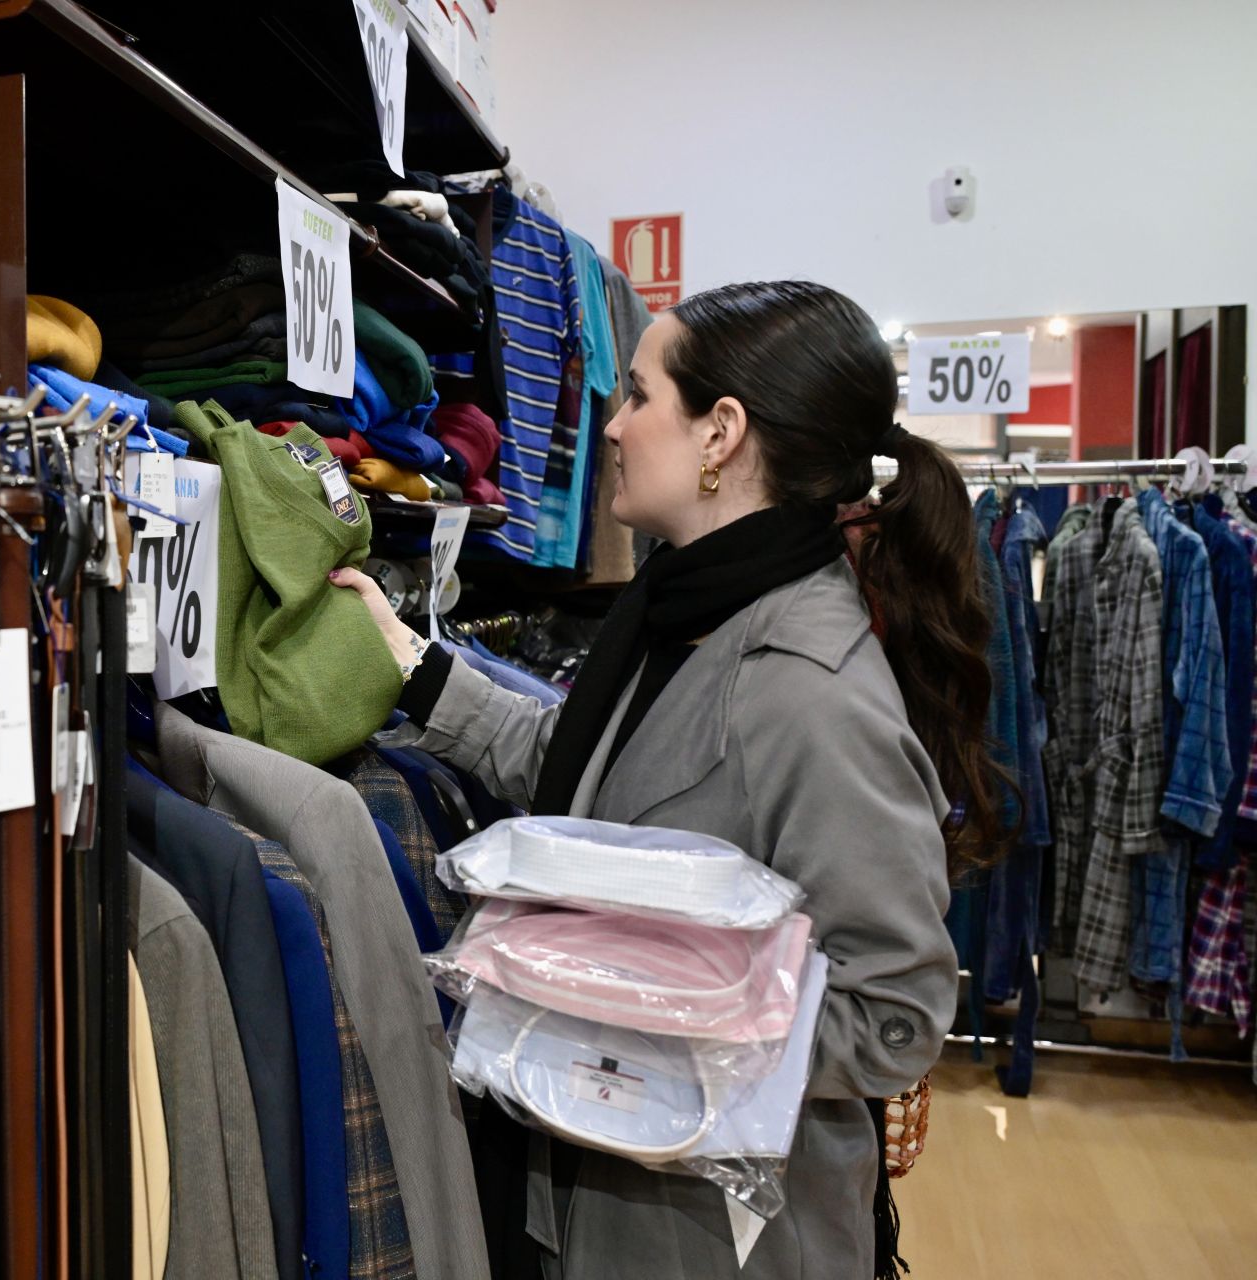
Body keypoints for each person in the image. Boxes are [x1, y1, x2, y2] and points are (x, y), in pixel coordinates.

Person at [331, 280, 1006, 1280]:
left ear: (720, 434)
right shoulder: (683, 616)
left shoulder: (807, 693)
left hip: (721, 1243)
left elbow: (896, 1014)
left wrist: (632, 1008)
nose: (610, 424)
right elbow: (586, 780)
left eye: (640, 396)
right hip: (616, 1206)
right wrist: (414, 664)